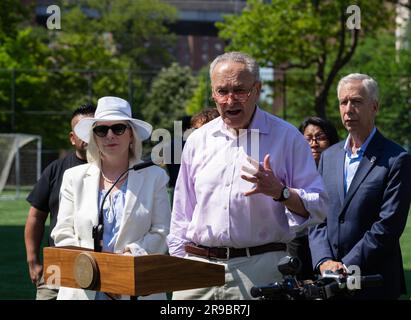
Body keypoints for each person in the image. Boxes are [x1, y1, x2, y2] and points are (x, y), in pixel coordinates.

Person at [167, 52, 328, 300]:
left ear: (257, 89)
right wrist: (180, 265)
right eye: (222, 91)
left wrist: (281, 192)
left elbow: (319, 206)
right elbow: (181, 212)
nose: (230, 100)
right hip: (197, 270)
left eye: (240, 90)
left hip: (259, 269)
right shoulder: (197, 140)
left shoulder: (287, 138)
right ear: (212, 93)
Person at [51, 96, 171, 300]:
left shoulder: (155, 177)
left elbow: (163, 232)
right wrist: (96, 268)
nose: (109, 135)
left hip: (137, 288)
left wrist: (128, 259)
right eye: (101, 130)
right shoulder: (73, 178)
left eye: (118, 128)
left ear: (131, 135)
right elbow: (62, 232)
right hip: (83, 288)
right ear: (94, 137)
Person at [309, 73, 411, 299]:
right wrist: (324, 261)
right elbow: (318, 214)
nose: (348, 108)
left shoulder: (397, 158)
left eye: (356, 101)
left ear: (374, 107)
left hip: (373, 282)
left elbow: (389, 225)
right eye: (343, 102)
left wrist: (346, 265)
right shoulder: (329, 156)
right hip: (329, 282)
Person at [24, 103, 95, 300]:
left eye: (92, 128)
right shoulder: (56, 169)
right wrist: (33, 261)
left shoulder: (112, 171)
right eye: (81, 130)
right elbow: (35, 217)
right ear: (72, 138)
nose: (87, 135)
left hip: (98, 265)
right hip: (57, 264)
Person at [287, 116, 339, 280]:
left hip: (330, 244)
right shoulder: (291, 170)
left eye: (320, 138)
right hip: (298, 243)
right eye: (308, 138)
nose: (313, 143)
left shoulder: (340, 170)